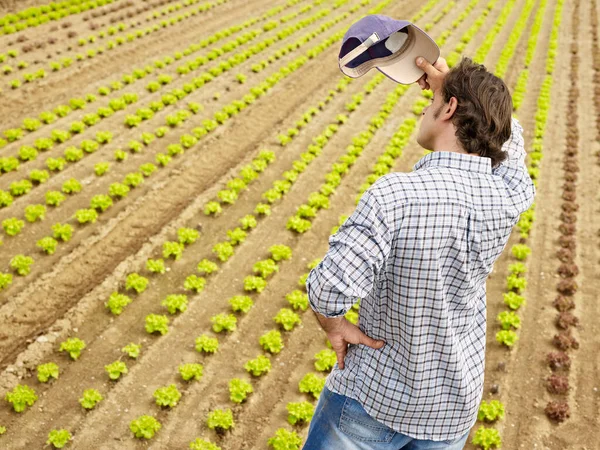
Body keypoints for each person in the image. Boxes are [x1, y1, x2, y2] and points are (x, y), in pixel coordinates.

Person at [302, 54, 536, 449]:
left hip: (374, 402)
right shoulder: (508, 197)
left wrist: (334, 326)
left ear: (449, 109)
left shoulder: (395, 196)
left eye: (431, 103)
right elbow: (513, 149)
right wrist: (468, 95)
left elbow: (327, 289)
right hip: (450, 410)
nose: (426, 109)